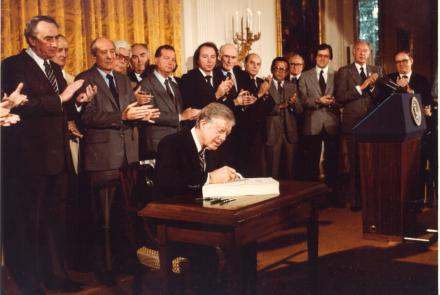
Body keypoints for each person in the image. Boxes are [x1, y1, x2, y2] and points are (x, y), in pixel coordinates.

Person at [1, 15, 94, 294]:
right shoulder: (12, 65)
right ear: (31, 40)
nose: (55, 44)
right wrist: (61, 99)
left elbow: (59, 111)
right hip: (27, 163)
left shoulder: (53, 68)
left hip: (57, 161)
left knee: (55, 226)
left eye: (57, 37)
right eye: (48, 39)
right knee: (26, 227)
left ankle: (56, 277)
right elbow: (16, 106)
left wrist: (76, 104)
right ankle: (29, 284)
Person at [76, 36, 159, 285]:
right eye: (104, 53)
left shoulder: (123, 79)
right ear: (94, 56)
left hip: (128, 158)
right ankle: (106, 268)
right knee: (104, 220)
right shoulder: (85, 79)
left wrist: (140, 115)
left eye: (113, 51)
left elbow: (128, 113)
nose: (111, 56)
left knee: (128, 216)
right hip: (103, 159)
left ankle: (128, 262)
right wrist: (122, 115)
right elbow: (87, 117)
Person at [335, 40, 383, 211]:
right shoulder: (344, 71)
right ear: (353, 52)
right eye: (359, 50)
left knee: (371, 164)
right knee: (355, 164)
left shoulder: (376, 70)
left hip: (372, 123)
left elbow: (379, 95)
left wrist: (371, 87)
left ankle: (371, 200)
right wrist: (362, 87)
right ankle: (356, 202)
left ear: (370, 53)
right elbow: (340, 97)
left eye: (366, 51)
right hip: (353, 124)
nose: (362, 53)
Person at [388, 51, 435, 206]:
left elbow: (428, 101)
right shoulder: (390, 79)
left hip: (418, 130)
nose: (401, 64)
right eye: (398, 61)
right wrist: (396, 90)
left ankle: (417, 200)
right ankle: (398, 200)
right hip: (397, 132)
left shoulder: (421, 79)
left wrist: (411, 92)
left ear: (411, 61)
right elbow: (383, 103)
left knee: (418, 165)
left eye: (404, 60)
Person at [138, 44, 200, 159]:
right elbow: (151, 114)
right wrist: (180, 116)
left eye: (173, 59)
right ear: (156, 60)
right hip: (158, 144)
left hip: (176, 142)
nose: (171, 62)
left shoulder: (174, 85)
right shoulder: (146, 84)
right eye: (166, 58)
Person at [298, 43, 341, 205]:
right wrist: (318, 100)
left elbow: (342, 99)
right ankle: (312, 200)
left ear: (330, 57)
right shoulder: (305, 75)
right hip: (312, 123)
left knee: (333, 162)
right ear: (315, 57)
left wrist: (332, 102)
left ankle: (333, 198)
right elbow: (303, 100)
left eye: (326, 56)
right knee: (311, 163)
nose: (323, 59)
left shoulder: (337, 75)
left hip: (332, 123)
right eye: (320, 55)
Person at [265, 57, 303, 179]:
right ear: (272, 70)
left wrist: (294, 103)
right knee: (272, 171)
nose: (280, 72)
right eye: (277, 69)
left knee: (290, 171)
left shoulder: (292, 86)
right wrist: (282, 105)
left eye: (283, 69)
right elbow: (263, 110)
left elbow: (300, 110)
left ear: (287, 72)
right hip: (272, 133)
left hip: (290, 134)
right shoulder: (265, 85)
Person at [239, 53, 274, 176]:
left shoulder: (260, 81)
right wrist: (260, 93)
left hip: (260, 130)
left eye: (258, 64)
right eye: (252, 63)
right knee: (248, 168)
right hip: (245, 131)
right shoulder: (240, 79)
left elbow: (270, 106)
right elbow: (247, 106)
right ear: (245, 64)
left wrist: (266, 94)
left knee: (259, 167)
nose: (255, 66)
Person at [180, 42, 235, 111]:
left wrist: (237, 100)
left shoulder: (222, 77)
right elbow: (192, 108)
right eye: (205, 57)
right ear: (197, 59)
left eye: (213, 57)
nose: (209, 61)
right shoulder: (187, 79)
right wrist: (217, 95)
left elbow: (229, 107)